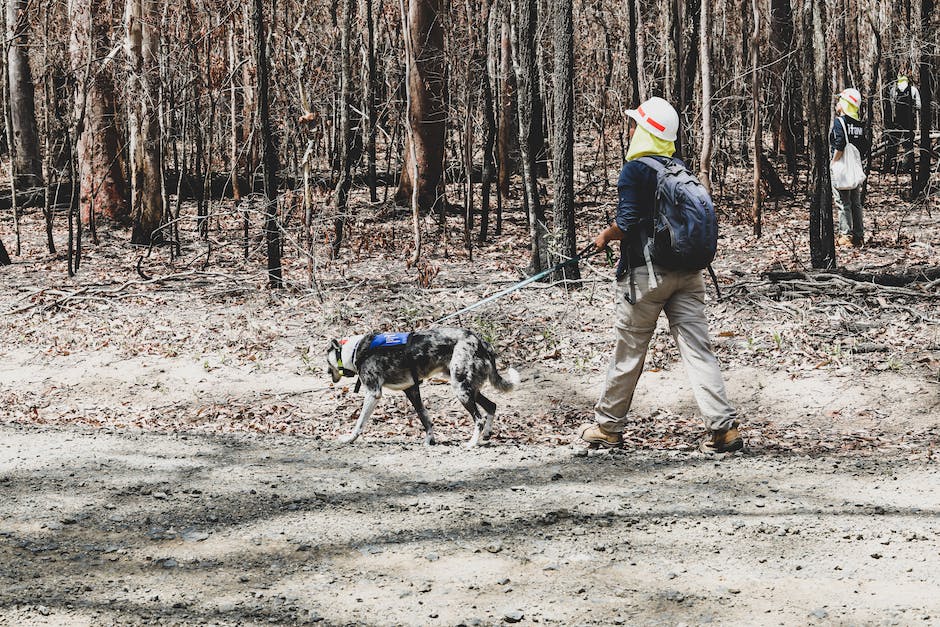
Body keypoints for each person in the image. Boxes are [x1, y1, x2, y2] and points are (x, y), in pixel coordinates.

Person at [578, 96, 742, 455]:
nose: (631, 128)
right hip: (690, 274)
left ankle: (607, 428)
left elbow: (627, 221)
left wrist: (605, 236)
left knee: (629, 351)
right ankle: (723, 429)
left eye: (635, 124)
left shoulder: (635, 169)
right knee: (699, 352)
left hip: (646, 278)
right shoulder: (678, 167)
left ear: (645, 131)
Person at [830, 88, 870, 248]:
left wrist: (833, 162)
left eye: (840, 100)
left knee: (842, 202)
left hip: (841, 168)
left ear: (846, 104)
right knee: (856, 202)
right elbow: (864, 146)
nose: (837, 103)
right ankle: (859, 236)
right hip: (854, 168)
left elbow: (839, 145)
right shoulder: (859, 124)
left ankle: (846, 236)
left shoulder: (840, 122)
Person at [885, 74, 921, 174]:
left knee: (893, 144)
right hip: (909, 121)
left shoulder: (894, 90)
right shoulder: (913, 89)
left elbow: (892, 105)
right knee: (908, 145)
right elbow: (919, 105)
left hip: (896, 121)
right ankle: (905, 166)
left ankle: (891, 166)